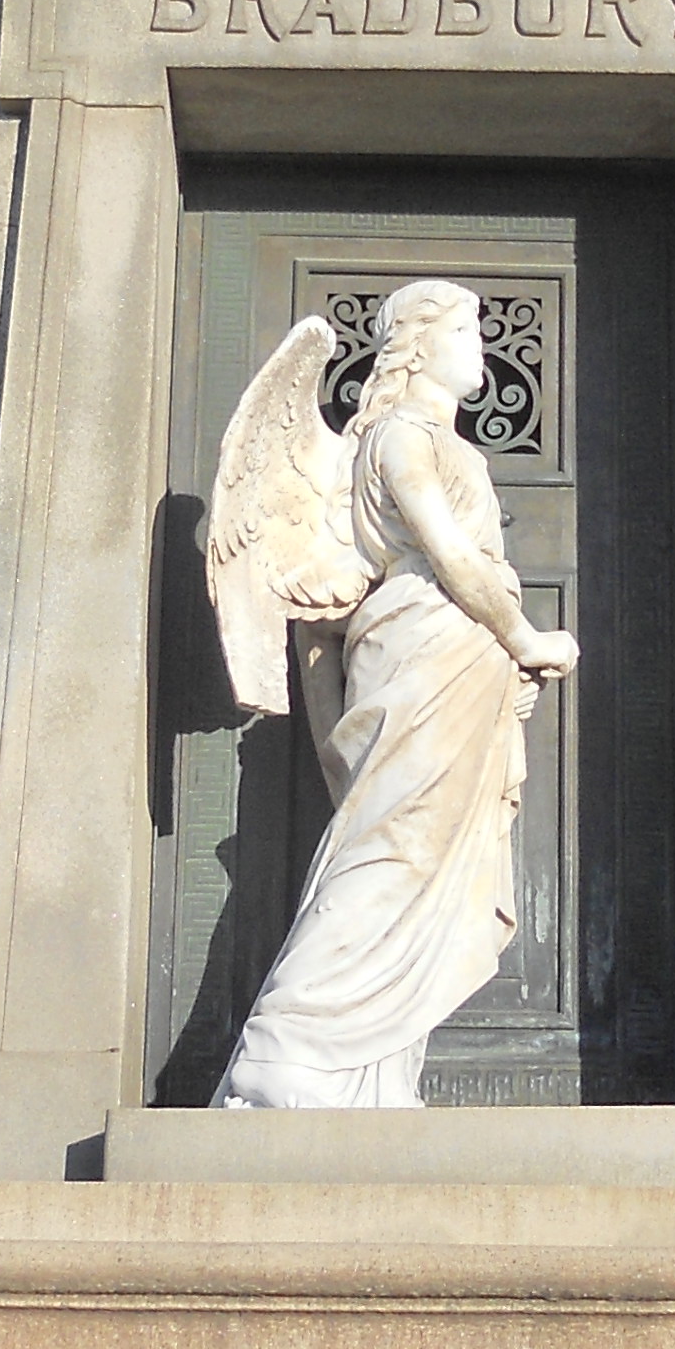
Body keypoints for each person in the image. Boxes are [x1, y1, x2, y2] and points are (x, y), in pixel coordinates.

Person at [215, 279, 578, 1108]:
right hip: (418, 648)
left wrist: (505, 660)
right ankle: (285, 1047)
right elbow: (448, 556)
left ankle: (372, 1071)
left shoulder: (458, 449)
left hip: (461, 661)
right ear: (422, 344)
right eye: (467, 331)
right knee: (391, 850)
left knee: (433, 865)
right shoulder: (396, 442)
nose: (479, 348)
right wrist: (527, 637)